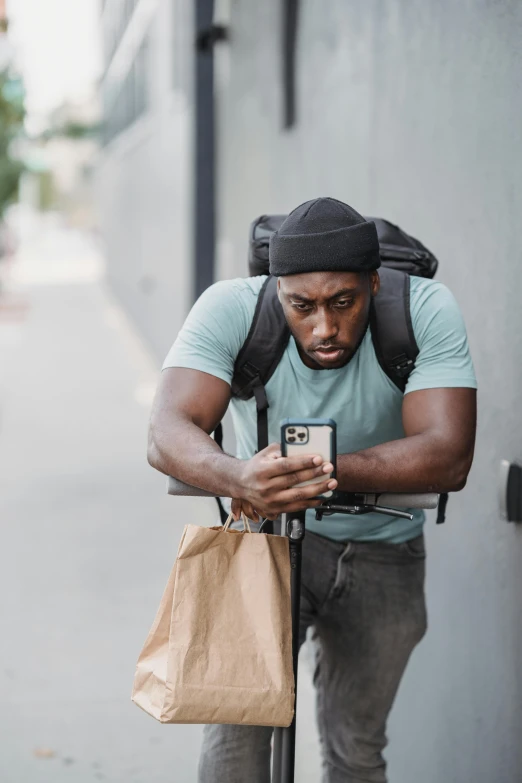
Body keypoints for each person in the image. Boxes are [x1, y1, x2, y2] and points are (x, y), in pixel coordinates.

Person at [148, 197, 477, 783]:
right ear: (276, 292)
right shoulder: (230, 308)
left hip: (385, 548)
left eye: (343, 303)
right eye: (302, 306)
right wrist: (239, 477)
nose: (324, 327)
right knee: (235, 741)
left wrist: (316, 473)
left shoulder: (424, 309)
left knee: (356, 749)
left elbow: (448, 454)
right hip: (262, 542)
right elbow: (167, 431)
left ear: (374, 283)